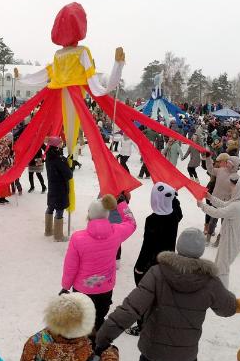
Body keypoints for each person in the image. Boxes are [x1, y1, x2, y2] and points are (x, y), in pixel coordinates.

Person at [98, 228, 236, 361]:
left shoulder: (157, 272)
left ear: (179, 247)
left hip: (153, 345)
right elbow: (227, 308)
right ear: (200, 252)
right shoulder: (210, 282)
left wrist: (102, 338)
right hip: (185, 352)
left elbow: (131, 309)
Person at [61, 194, 136, 330]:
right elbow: (131, 223)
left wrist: (65, 286)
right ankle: (97, 342)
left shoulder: (78, 238)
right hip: (105, 288)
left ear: (89, 215)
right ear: (107, 214)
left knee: (83, 321)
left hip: (82, 290)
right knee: (99, 317)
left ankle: (84, 345)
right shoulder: (116, 232)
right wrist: (121, 204)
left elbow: (70, 266)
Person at [128, 183, 182, 335]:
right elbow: (178, 209)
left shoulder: (152, 220)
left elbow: (148, 247)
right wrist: (175, 198)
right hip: (169, 262)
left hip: (152, 265)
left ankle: (143, 325)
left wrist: (139, 267)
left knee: (146, 294)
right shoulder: (174, 215)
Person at [198, 175, 240, 288]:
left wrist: (202, 206)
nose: (231, 188)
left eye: (233, 187)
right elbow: (223, 204)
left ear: (239, 189)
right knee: (219, 264)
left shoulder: (237, 206)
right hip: (229, 238)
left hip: (231, 241)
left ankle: (222, 292)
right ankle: (216, 286)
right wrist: (210, 197)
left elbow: (218, 213)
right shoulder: (238, 202)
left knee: (222, 268)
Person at [45, 137, 73, 241]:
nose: (62, 143)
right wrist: (69, 165)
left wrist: (64, 159)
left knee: (51, 207)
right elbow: (69, 175)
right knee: (59, 209)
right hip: (60, 188)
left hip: (52, 186)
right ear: (56, 145)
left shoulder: (49, 155)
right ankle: (58, 236)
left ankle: (48, 231)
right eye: (60, 142)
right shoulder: (58, 158)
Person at [0, 133, 14, 204]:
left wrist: (9, 160)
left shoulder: (5, 144)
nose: (10, 142)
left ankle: (3, 196)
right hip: (0, 167)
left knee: (4, 182)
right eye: (10, 140)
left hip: (5, 167)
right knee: (0, 182)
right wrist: (4, 161)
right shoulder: (1, 144)